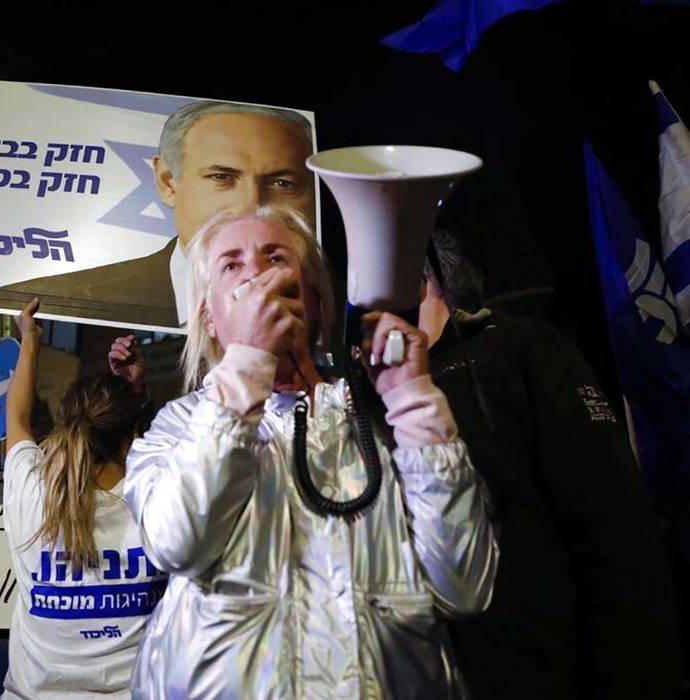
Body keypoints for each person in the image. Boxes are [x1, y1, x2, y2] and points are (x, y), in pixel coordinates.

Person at [124, 205, 498, 698]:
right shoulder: (177, 427)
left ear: (317, 300)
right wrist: (248, 369)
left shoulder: (386, 419)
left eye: (275, 257)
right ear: (209, 318)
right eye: (232, 265)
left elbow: (465, 585)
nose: (256, 274)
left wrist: (414, 403)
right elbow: (178, 544)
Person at [419, 229, 684, 699]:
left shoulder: (520, 348)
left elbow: (613, 521)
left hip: (549, 675)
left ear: (421, 281)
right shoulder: (373, 393)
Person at [0, 100, 316, 328]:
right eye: (221, 177)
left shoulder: (340, 320)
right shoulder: (33, 307)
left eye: (282, 183)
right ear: (168, 182)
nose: (250, 207)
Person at [0, 297, 164, 698]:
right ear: (130, 439)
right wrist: (132, 395)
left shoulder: (33, 492)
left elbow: (17, 421)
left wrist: (30, 339)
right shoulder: (161, 501)